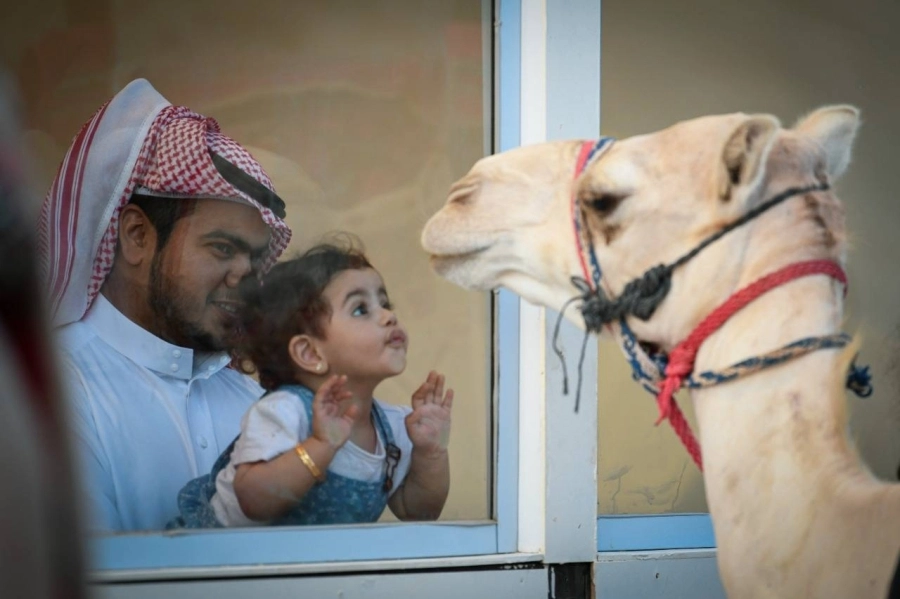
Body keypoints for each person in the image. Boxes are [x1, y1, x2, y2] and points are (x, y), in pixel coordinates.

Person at [38, 78, 292, 531]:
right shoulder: (53, 389)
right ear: (137, 236)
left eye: (254, 257)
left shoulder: (255, 403)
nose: (245, 277)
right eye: (221, 248)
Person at [171, 241, 453, 527]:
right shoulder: (285, 412)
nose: (388, 316)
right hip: (218, 563)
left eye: (384, 303)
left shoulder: (392, 427)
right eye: (360, 309)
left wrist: (431, 452)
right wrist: (321, 445)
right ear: (310, 353)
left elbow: (417, 512)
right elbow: (253, 500)